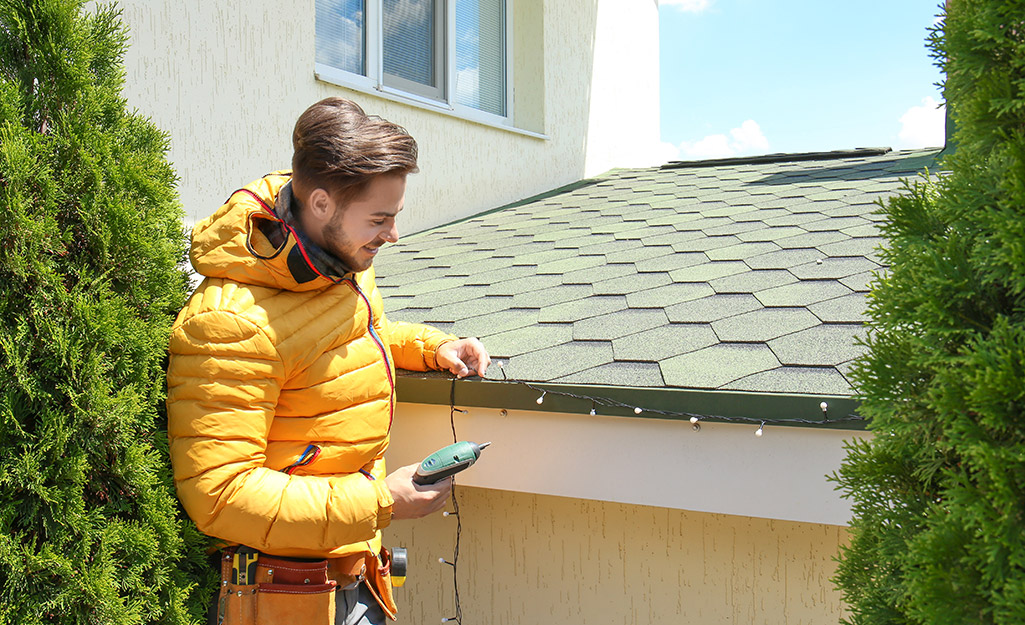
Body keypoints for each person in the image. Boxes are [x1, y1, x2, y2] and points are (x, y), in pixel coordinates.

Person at [166, 97, 490, 625]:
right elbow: (219, 496)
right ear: (320, 204)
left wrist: (432, 348)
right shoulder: (228, 323)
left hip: (356, 573)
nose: (393, 234)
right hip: (283, 599)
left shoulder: (335, 260)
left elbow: (351, 335)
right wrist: (379, 502)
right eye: (380, 219)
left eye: (395, 216)